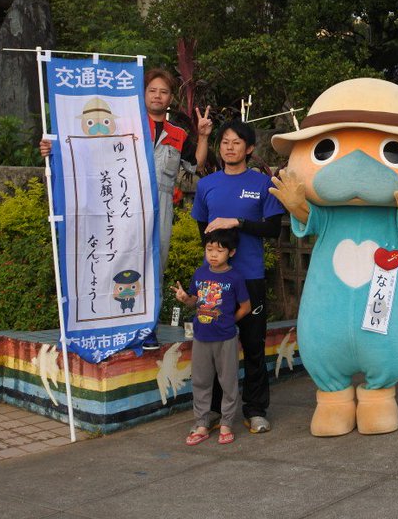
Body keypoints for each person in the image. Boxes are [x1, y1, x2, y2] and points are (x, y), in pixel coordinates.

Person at [41, 67, 212, 351]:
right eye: (152, 90)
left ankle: (148, 328)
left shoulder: (178, 133)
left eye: (164, 92)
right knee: (119, 260)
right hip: (125, 202)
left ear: (171, 98)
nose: (158, 96)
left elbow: (196, 164)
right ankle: (116, 324)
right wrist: (53, 148)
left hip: (161, 206)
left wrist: (204, 136)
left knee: (155, 264)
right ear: (143, 94)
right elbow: (86, 149)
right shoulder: (124, 125)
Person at [191, 119, 285, 433]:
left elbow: (272, 230)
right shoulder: (207, 185)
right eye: (225, 142)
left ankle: (256, 410)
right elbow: (202, 230)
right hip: (216, 283)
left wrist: (238, 223)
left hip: (251, 277)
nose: (230, 147)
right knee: (217, 347)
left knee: (253, 346)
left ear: (249, 148)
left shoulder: (262, 184)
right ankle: (215, 411)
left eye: (236, 142)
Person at [173, 227, 251, 446]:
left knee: (228, 382)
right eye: (209, 249)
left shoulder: (235, 277)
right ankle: (201, 424)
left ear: (231, 253)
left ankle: (226, 423)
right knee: (200, 382)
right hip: (201, 337)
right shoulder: (200, 274)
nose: (213, 255)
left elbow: (246, 306)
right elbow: (194, 301)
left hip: (226, 338)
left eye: (219, 250)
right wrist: (184, 298)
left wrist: (229, 321)